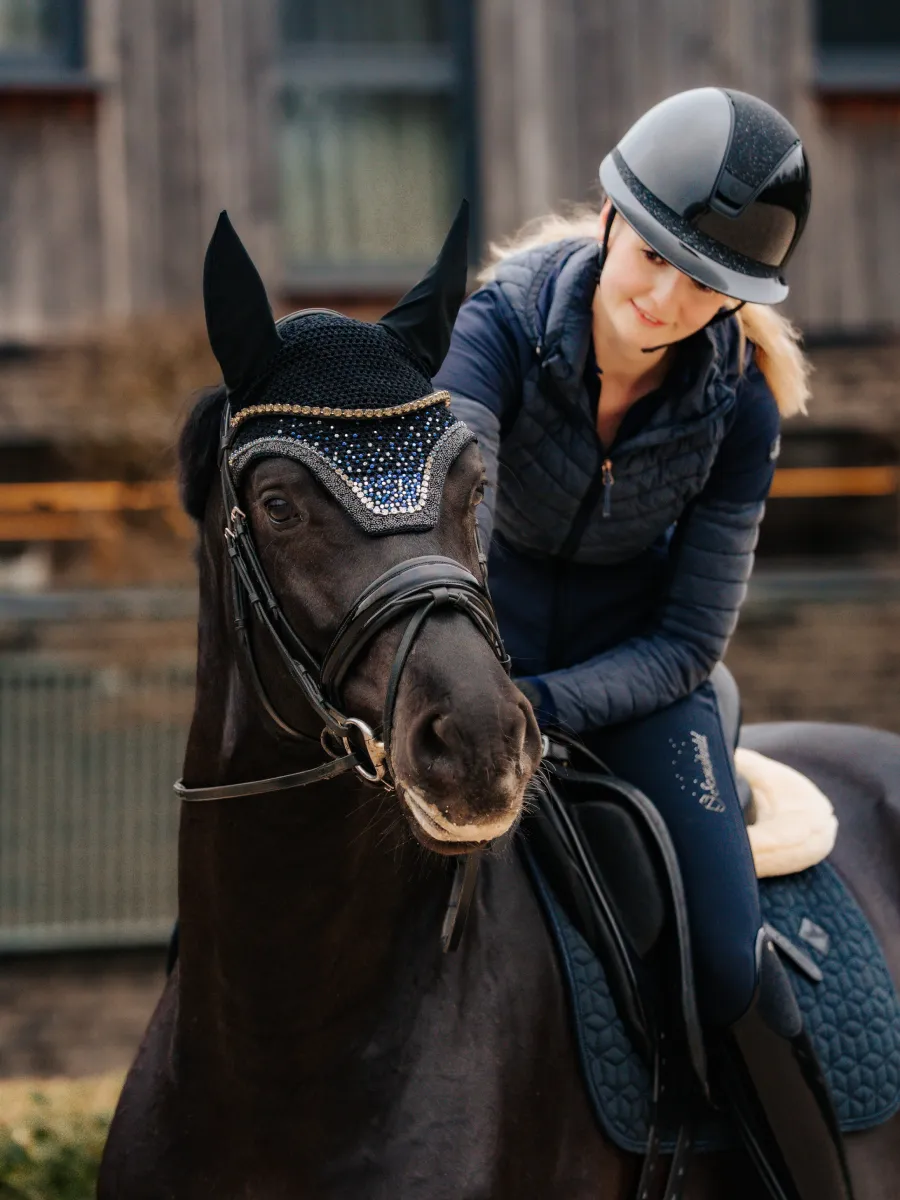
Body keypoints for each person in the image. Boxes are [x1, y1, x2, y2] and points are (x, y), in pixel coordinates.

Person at [435, 87, 852, 1199]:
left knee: (724, 957)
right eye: (657, 257)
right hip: (482, 651)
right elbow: (448, 528)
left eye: (708, 282)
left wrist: (551, 708)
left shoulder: (743, 408)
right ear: (613, 220)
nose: (667, 298)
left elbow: (687, 639)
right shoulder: (499, 329)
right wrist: (482, 682)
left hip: (640, 686)